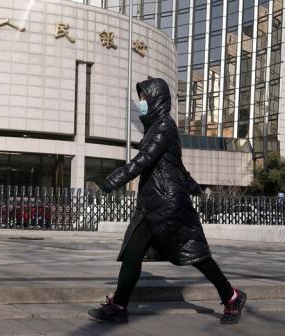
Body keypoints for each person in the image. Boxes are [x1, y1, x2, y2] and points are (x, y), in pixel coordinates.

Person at [88, 77, 246, 325]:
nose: (141, 103)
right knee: (133, 253)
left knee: (196, 254)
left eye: (144, 98)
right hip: (153, 203)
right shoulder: (156, 127)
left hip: (167, 204)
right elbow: (177, 166)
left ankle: (231, 296)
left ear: (156, 99)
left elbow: (144, 159)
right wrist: (196, 188)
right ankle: (118, 306)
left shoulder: (164, 126)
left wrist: (110, 182)